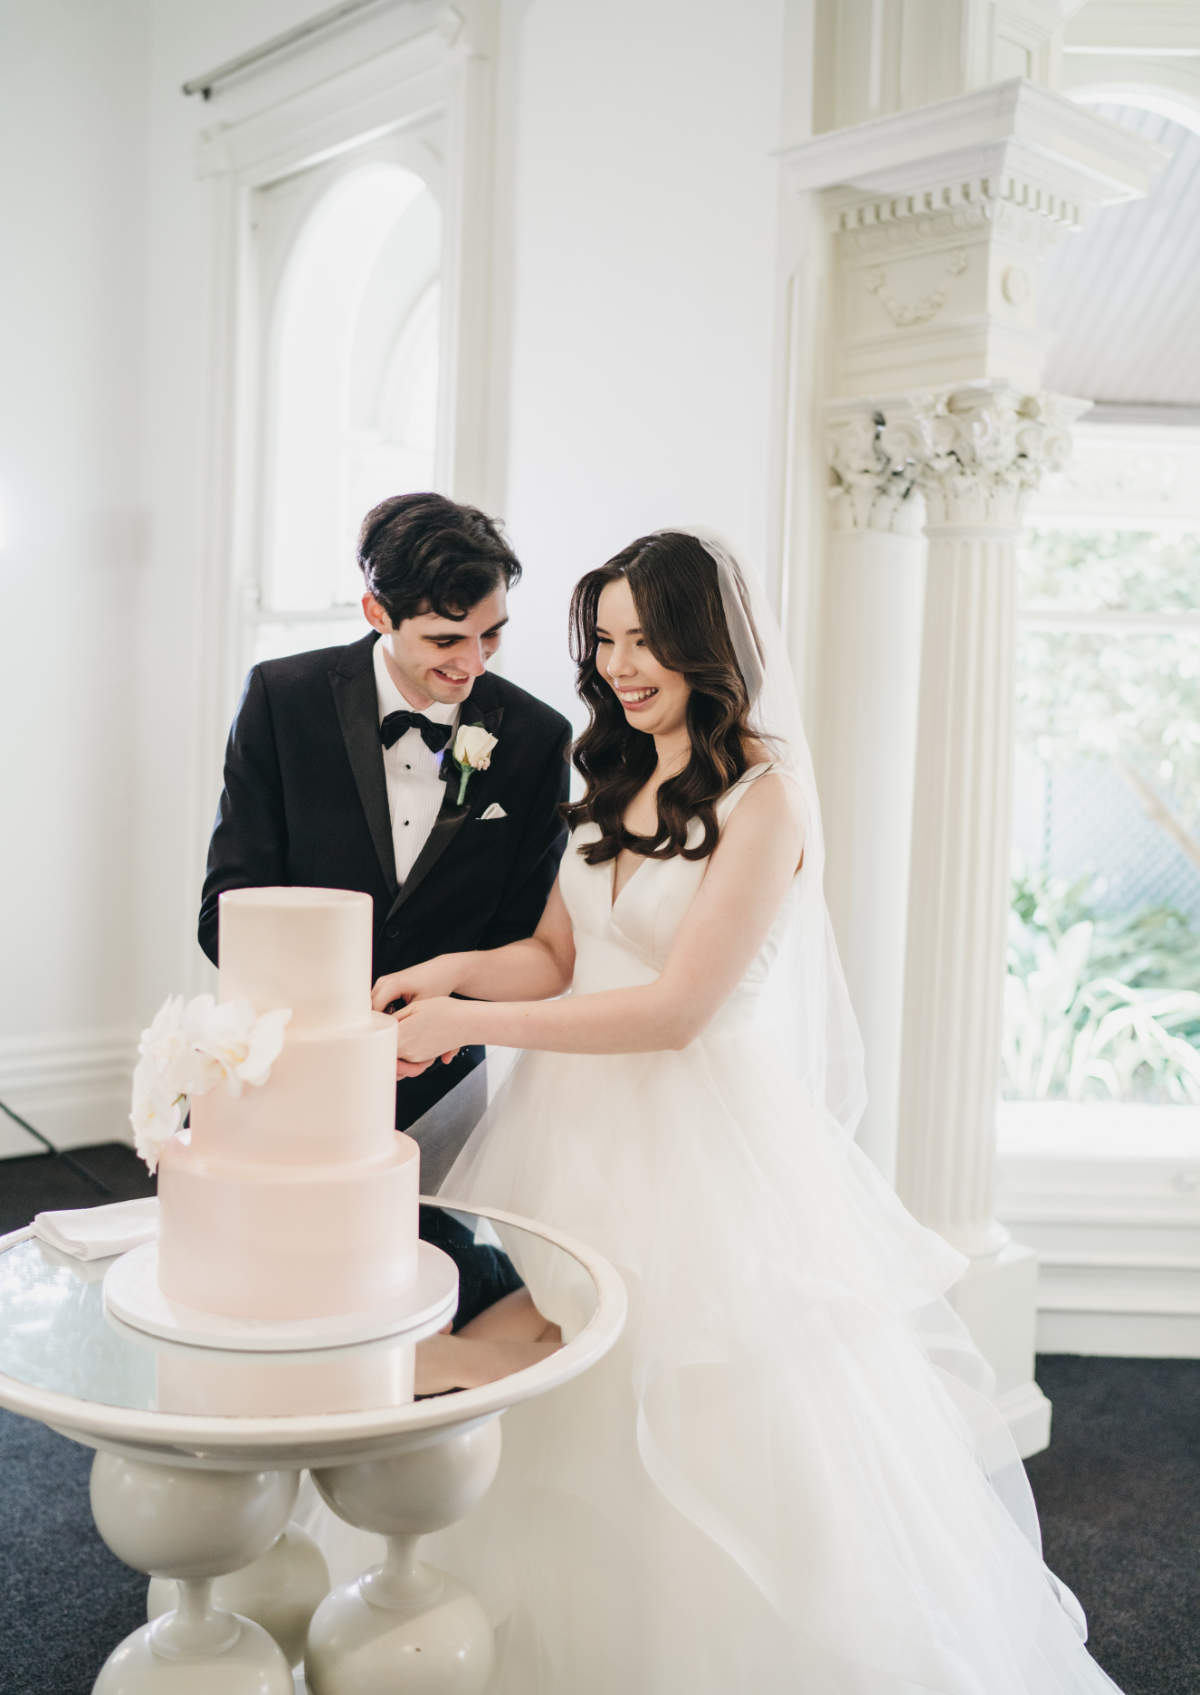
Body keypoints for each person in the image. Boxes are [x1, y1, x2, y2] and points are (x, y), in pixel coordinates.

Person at [343, 527, 1123, 1694]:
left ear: (706, 640)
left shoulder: (768, 795)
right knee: (570, 1391)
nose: (621, 664)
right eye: (603, 640)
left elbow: (673, 1010)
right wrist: (450, 970)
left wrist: (468, 1024)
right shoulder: (610, 768)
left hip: (694, 1143)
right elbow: (561, 953)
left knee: (700, 1400)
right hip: (579, 1130)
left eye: (646, 639)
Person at [198, 492, 572, 1311]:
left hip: (443, 1082)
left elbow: (517, 931)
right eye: (446, 638)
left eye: (492, 633)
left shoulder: (537, 739)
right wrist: (345, 1028)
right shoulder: (281, 700)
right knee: (274, 1294)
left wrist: (444, 1019)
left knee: (426, 1309)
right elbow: (228, 906)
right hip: (292, 1070)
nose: (473, 664)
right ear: (378, 611)